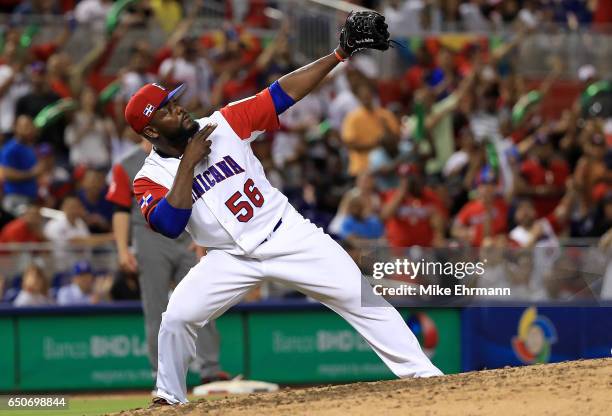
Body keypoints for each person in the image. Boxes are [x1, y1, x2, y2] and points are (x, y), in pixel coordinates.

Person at [126, 15, 441, 405]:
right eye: (166, 109)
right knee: (176, 317)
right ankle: (168, 397)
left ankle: (423, 375)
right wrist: (188, 163)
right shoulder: (149, 176)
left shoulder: (223, 123)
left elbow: (280, 94)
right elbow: (170, 225)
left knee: (359, 295)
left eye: (174, 101)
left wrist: (339, 54)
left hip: (286, 234)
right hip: (228, 258)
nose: (179, 108)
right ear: (151, 131)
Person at [106, 137, 226, 386]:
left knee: (201, 300)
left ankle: (210, 368)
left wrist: (202, 237)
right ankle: (161, 372)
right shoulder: (126, 164)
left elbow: (203, 195)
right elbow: (120, 210)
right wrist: (122, 249)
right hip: (149, 237)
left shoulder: (184, 154)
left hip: (187, 237)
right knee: (156, 307)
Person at [0, 115, 43, 216]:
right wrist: (32, 173)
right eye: (24, 126)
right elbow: (7, 173)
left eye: (30, 126)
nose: (28, 129)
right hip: (16, 198)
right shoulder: (10, 149)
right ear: (16, 127)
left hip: (30, 198)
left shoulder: (30, 147)